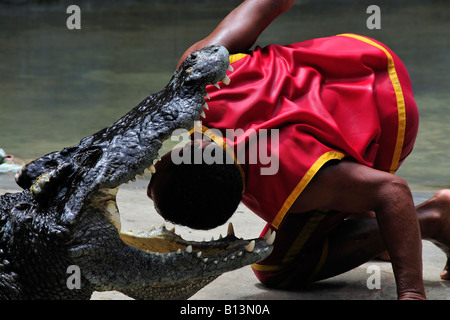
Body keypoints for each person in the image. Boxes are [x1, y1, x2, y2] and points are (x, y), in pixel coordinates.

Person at [148, 0, 450, 300]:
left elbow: (393, 190)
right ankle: (375, 220)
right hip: (354, 57)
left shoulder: (296, 182)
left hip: (388, 112)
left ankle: (436, 216)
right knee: (343, 187)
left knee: (278, 268)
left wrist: (412, 293)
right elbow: (264, 6)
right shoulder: (198, 78)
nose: (148, 189)